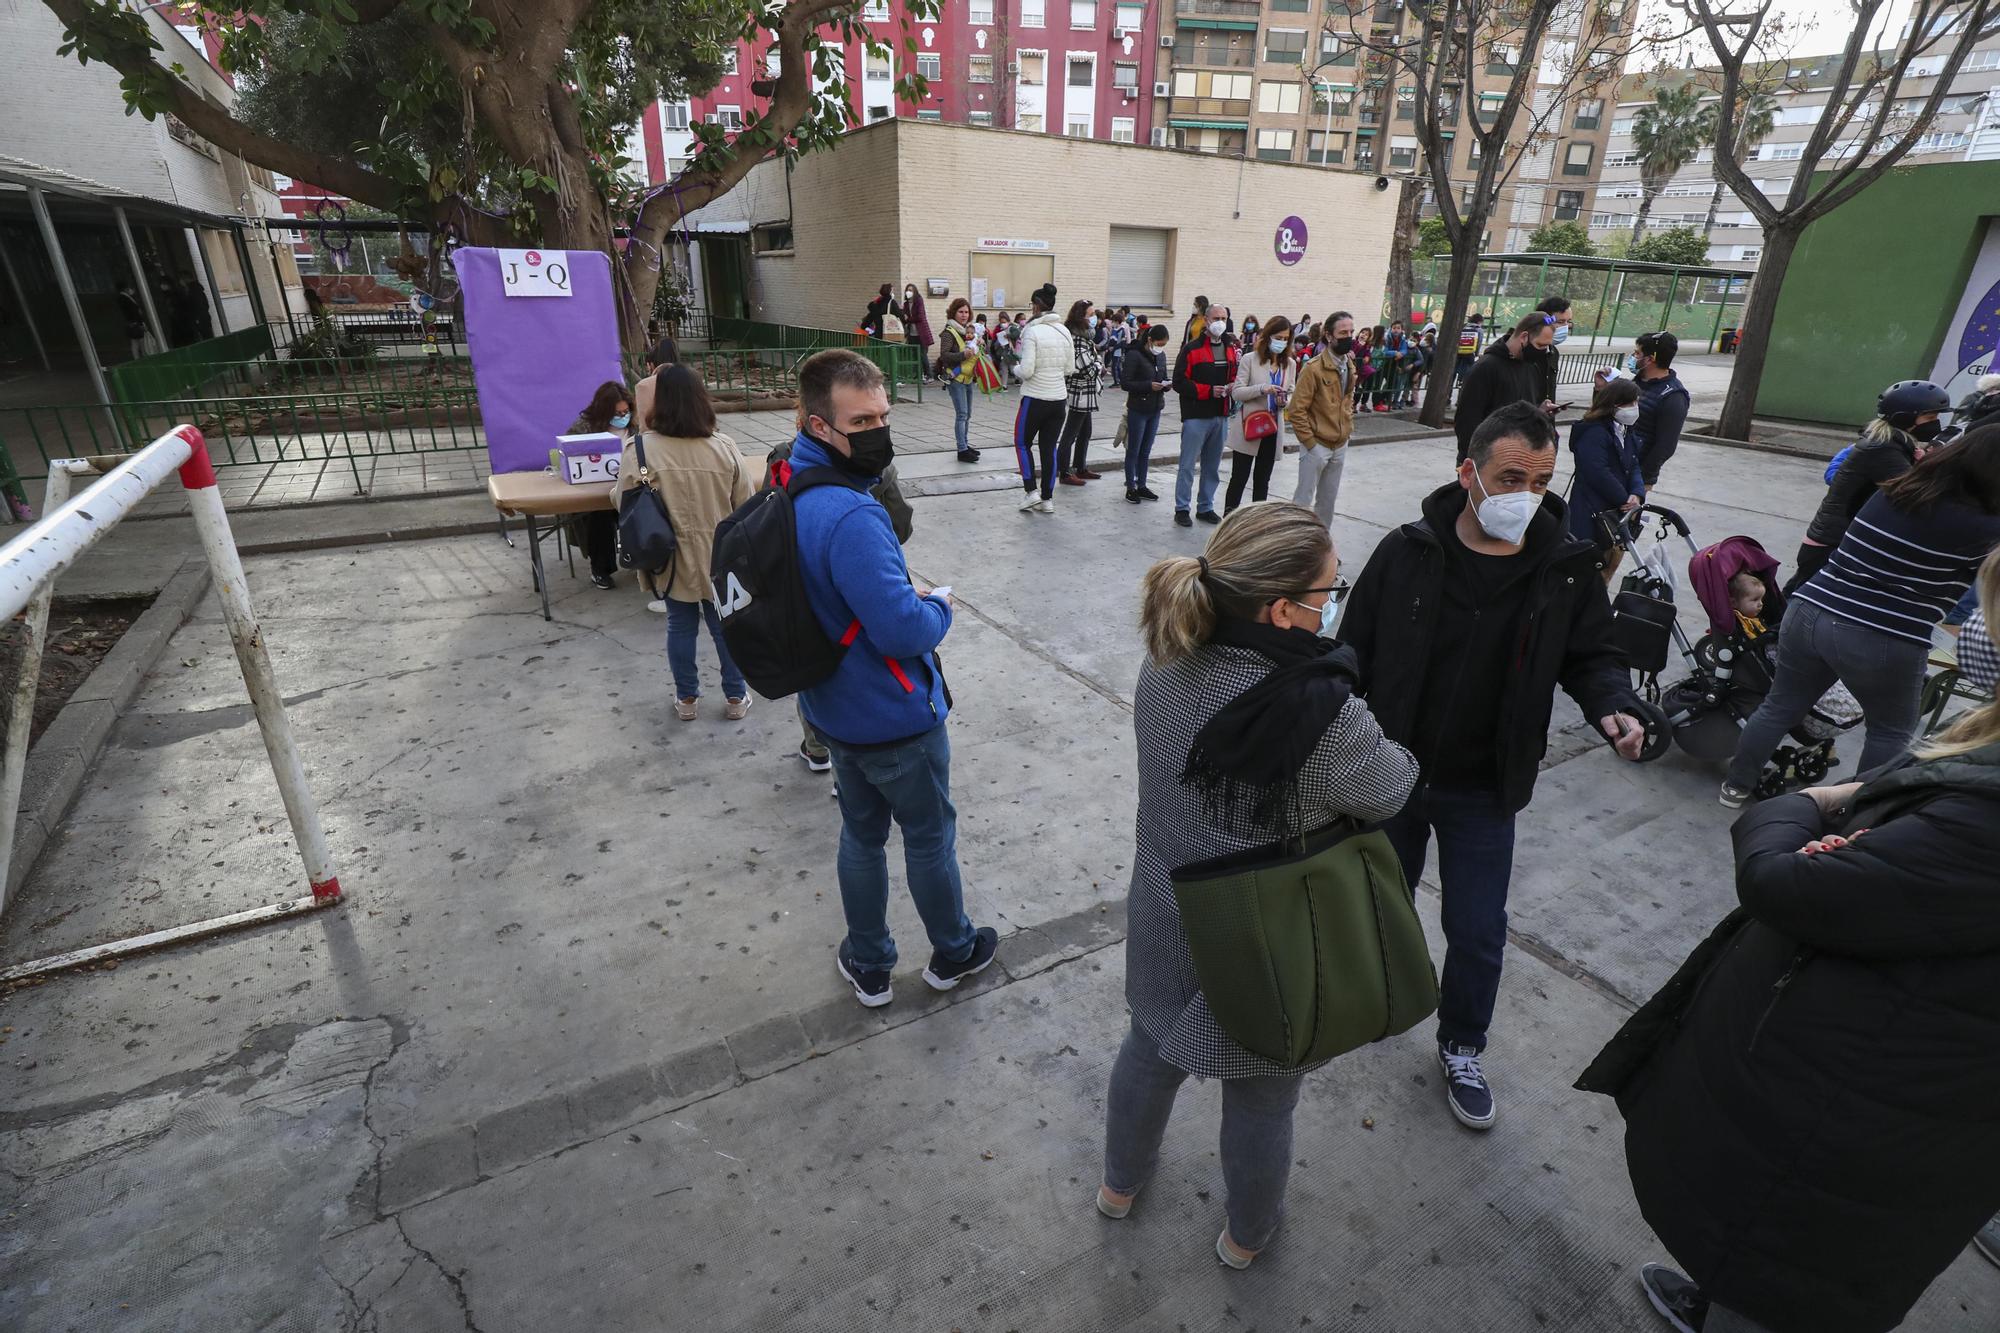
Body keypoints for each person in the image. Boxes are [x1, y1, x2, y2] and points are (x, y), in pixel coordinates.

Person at [1597, 551, 2000, 1333]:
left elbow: (1782, 880)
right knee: (1761, 1254)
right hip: (1867, 1070)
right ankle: (1721, 1298)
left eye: (1987, 607)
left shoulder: (1982, 824)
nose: (1971, 628)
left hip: (1868, 1104)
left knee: (1784, 1266)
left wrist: (1811, 803)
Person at [1099, 502, 1420, 1269]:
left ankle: (1118, 1186)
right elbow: (1392, 789)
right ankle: (1247, 1233)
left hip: (1169, 906)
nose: (1333, 604)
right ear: (1280, 609)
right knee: (1264, 1095)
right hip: (1267, 938)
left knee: (1148, 1049)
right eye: (1327, 592)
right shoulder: (1324, 716)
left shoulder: (1169, 656)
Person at [1338, 401, 1649, 1130]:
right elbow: (1351, 655)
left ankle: (1462, 1044)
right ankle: (1375, 1002)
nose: (1527, 495)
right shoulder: (1407, 551)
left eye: (1541, 480)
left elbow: (1593, 656)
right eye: (1512, 477)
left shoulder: (1566, 569)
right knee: (1383, 907)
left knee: (1477, 930)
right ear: (1468, 473)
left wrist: (1614, 704)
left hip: (1486, 787)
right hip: (1394, 777)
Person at [786, 349, 1000, 1007]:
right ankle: (954, 951)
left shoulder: (790, 482)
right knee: (930, 836)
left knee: (861, 835)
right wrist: (938, 605)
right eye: (862, 419)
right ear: (821, 425)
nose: (879, 428)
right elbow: (903, 631)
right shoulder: (852, 515)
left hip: (834, 708)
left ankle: (870, 962)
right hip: (894, 714)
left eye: (883, 413)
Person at [1720, 427, 2000, 807]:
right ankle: (1858, 813)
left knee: (1781, 705)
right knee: (1889, 731)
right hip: (1883, 636)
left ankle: (1736, 786)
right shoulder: (1985, 529)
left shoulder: (1894, 493)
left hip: (1809, 610)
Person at [764, 410, 915, 785]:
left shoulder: (781, 458)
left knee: (815, 663)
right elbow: (901, 524)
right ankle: (851, 768)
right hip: (867, 577)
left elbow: (770, 516)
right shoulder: (876, 466)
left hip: (801, 583)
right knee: (861, 660)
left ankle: (818, 748)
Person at [615, 365, 754, 721]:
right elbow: (745, 504)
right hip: (719, 558)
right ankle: (736, 697)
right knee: (724, 627)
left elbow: (621, 500)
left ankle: (687, 699)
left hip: (669, 556)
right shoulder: (724, 447)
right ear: (700, 400)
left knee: (679, 626)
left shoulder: (640, 449)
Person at [1784, 380, 1950, 595]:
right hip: (1834, 543)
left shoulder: (1894, 445)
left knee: (1795, 597)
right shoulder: (1883, 449)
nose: (1935, 424)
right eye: (1930, 418)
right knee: (1801, 603)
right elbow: (1916, 496)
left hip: (1835, 539)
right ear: (1905, 418)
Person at [1564, 376, 1645, 584]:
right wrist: (1624, 499)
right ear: (1615, 404)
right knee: (1585, 567)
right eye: (1631, 403)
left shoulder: (1626, 430)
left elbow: (1634, 464)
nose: (1635, 408)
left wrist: (1636, 493)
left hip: (1617, 511)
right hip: (1592, 509)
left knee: (1607, 564)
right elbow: (1596, 471)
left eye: (1637, 402)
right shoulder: (1594, 431)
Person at [1285, 312, 1356, 530]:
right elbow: (1297, 410)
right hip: (1317, 445)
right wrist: (1310, 444)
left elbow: (1347, 402)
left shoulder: (1349, 366)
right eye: (1343, 332)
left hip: (1339, 444)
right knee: (1302, 502)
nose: (1349, 336)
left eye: (1351, 332)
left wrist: (1347, 431)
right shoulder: (1313, 368)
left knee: (1327, 502)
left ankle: (1321, 548)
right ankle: (1294, 546)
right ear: (1328, 335)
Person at [1453, 313, 1556, 462]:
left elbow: (1525, 409)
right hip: (1487, 461)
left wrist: (1540, 411)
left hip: (1519, 458)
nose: (1543, 351)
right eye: (1540, 345)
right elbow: (1466, 422)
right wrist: (1477, 459)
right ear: (1524, 337)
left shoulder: (1532, 367)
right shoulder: (1486, 367)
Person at [1171, 304, 1238, 528]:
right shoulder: (1191, 349)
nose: (1220, 321)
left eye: (1224, 317)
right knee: (1187, 465)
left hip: (1220, 415)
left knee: (1212, 466)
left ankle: (1205, 507)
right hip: (1196, 415)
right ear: (1206, 321)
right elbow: (1179, 382)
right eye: (1216, 317)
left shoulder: (1231, 347)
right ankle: (1182, 508)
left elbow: (1237, 375)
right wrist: (1208, 391)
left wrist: (1232, 386)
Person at [1224, 316, 1297, 513]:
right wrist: (1262, 389)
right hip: (1251, 425)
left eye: (1285, 338)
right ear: (1267, 337)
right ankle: (1229, 521)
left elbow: (1291, 392)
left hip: (1273, 428)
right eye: (1278, 337)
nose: (1281, 341)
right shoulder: (1250, 360)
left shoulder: (1290, 364)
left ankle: (1257, 524)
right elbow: (1237, 391)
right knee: (1239, 478)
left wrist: (1285, 400)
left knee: (1262, 481)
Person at [565, 380, 633, 590]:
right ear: (604, 412)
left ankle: (643, 559)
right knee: (599, 516)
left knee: (646, 509)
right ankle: (601, 569)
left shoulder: (636, 427)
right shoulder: (584, 427)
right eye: (618, 414)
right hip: (596, 491)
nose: (623, 417)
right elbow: (568, 455)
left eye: (626, 412)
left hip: (629, 487)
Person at [1013, 284, 1073, 514]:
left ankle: (1031, 492)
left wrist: (1015, 367)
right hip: (1058, 399)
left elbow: (1026, 371)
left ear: (1036, 306)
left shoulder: (1032, 331)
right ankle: (1047, 499)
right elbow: (1070, 368)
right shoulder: (1064, 330)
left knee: (1021, 442)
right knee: (1049, 449)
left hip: (1035, 398)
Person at [1626, 331, 1691, 489]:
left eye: (1637, 353)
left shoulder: (1673, 397)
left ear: (1650, 359)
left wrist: (1641, 479)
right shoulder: (1636, 383)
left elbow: (1665, 445)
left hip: (1635, 475)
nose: (1633, 356)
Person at [1121, 322, 1173, 503]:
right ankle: (1131, 486)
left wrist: (1166, 385)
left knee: (1146, 450)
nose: (1161, 348)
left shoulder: (1161, 357)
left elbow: (1162, 375)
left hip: (1155, 407)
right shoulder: (1135, 355)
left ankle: (1142, 485)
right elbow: (1125, 382)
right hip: (1138, 408)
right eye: (1159, 344)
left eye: (1163, 345)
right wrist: (1148, 386)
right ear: (1150, 340)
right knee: (1133, 449)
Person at [1058, 299, 1106, 486]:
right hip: (1079, 391)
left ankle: (1080, 467)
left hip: (1087, 391)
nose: (1095, 318)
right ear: (1081, 317)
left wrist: (1096, 362)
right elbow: (1088, 369)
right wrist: (1099, 363)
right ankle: (1064, 472)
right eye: (1091, 314)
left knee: (1085, 431)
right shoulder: (1077, 338)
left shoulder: (1086, 335)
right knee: (1070, 433)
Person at [934, 297, 984, 464]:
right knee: (962, 414)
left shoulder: (969, 331)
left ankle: (965, 445)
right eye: (960, 312)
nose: (964, 315)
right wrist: (963, 355)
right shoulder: (949, 332)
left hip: (968, 378)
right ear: (953, 313)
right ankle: (961, 449)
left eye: (966, 312)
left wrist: (981, 344)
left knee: (967, 414)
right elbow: (944, 355)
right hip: (955, 378)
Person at [1533, 296, 1573, 410]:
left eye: (1568, 321)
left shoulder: (1553, 352)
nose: (1566, 327)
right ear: (1544, 321)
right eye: (1560, 321)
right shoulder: (1521, 354)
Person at [901, 282, 933, 378]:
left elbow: (920, 317)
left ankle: (929, 375)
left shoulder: (919, 301)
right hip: (911, 333)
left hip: (921, 332)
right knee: (914, 355)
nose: (908, 292)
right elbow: (905, 317)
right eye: (907, 290)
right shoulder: (906, 304)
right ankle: (918, 375)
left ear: (915, 292)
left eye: (910, 290)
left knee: (923, 355)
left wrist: (908, 319)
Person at [1451, 312, 1485, 398]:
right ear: (1479, 321)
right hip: (1469, 355)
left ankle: (1448, 398)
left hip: (1458, 354)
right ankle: (1460, 399)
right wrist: (1476, 353)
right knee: (1465, 378)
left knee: (1452, 376)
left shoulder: (1463, 326)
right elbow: (1479, 343)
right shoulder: (1479, 330)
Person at [1728, 571, 1768, 638]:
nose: (1760, 604)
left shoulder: (1754, 617)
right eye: (1755, 600)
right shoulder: (1738, 622)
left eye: (1761, 599)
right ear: (1734, 603)